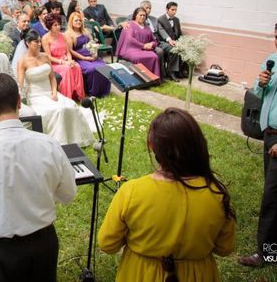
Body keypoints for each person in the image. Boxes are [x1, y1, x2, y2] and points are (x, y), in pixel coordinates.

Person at [0, 72, 76, 282]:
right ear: (19, 102)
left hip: (2, 249)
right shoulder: (49, 145)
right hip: (43, 242)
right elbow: (68, 193)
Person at [98, 108, 236, 281]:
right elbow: (225, 248)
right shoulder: (217, 194)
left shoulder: (131, 191)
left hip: (140, 274)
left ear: (151, 144)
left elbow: (107, 244)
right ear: (198, 144)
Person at [238, 17, 277, 268]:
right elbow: (258, 95)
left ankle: (264, 253)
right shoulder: (274, 61)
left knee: (272, 197)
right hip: (270, 134)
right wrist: (261, 83)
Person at [18, 30, 94, 146]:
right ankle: (58, 142)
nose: (39, 44)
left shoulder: (44, 57)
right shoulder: (22, 61)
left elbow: (52, 78)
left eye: (39, 41)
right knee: (57, 110)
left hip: (50, 92)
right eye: (35, 42)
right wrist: (22, 100)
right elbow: (21, 84)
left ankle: (74, 139)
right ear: (28, 43)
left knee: (70, 105)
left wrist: (54, 93)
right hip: (35, 96)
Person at [65, 12, 111, 98]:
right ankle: (93, 92)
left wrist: (95, 53)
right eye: (76, 20)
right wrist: (84, 58)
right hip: (79, 57)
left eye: (80, 20)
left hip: (91, 55)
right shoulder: (68, 34)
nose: (78, 22)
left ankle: (103, 91)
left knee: (104, 66)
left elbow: (92, 43)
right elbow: (70, 50)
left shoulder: (85, 31)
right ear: (71, 22)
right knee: (92, 69)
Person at [42, 13, 85, 101]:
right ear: (49, 26)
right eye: (55, 25)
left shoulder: (63, 35)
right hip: (54, 64)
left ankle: (77, 95)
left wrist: (70, 61)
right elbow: (48, 57)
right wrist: (64, 62)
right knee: (67, 69)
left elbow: (68, 52)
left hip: (65, 60)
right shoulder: (45, 38)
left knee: (76, 66)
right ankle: (67, 97)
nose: (58, 27)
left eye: (59, 24)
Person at [116, 7, 161, 78]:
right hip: (130, 49)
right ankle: (139, 80)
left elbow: (154, 40)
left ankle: (152, 79)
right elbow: (130, 39)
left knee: (154, 56)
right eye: (140, 15)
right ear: (135, 15)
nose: (142, 17)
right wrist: (143, 45)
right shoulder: (130, 24)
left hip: (145, 49)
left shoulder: (147, 27)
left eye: (144, 15)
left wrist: (151, 44)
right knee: (138, 57)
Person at [157, 1, 184, 80]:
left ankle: (180, 70)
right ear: (167, 9)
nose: (174, 12)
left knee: (184, 47)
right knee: (174, 49)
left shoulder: (176, 20)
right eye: (172, 10)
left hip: (174, 41)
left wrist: (182, 41)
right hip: (163, 42)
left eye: (175, 10)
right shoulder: (160, 19)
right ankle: (171, 72)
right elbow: (162, 32)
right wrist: (169, 40)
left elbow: (179, 33)